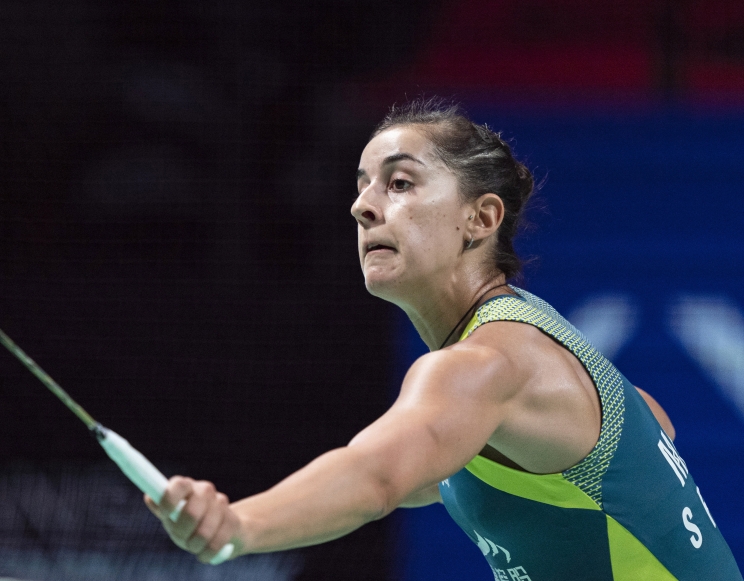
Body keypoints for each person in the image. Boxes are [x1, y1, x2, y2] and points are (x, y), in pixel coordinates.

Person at [143, 98, 744, 580]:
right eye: (362, 186)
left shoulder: (481, 363)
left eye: (399, 183)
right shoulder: (526, 337)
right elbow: (654, 421)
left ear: (480, 219)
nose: (362, 207)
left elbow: (375, 477)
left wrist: (238, 526)